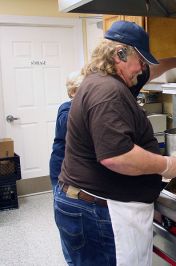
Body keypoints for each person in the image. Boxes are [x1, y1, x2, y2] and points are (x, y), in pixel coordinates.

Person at [53, 20, 176, 266]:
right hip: (99, 213)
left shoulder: (103, 79)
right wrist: (164, 165)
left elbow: (151, 70)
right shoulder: (108, 91)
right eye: (140, 61)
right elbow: (116, 156)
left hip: (87, 204)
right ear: (119, 54)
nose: (142, 69)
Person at [49, 71, 83, 265]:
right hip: (61, 172)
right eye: (82, 92)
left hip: (71, 172)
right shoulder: (67, 109)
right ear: (72, 93)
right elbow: (68, 124)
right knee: (68, 225)